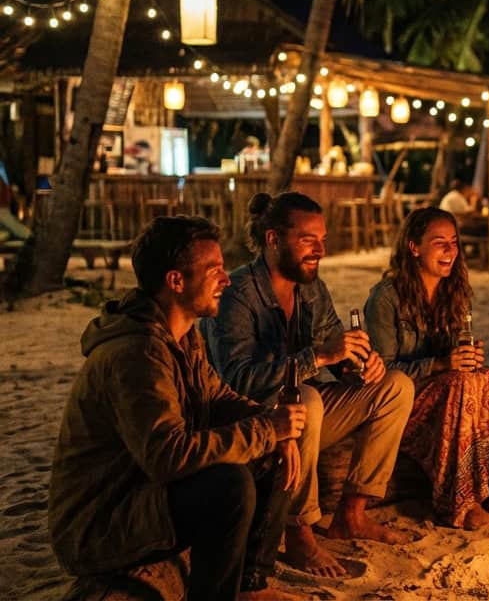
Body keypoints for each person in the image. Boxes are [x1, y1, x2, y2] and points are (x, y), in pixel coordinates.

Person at [48, 216, 304, 601]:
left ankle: (250, 583)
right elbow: (168, 455)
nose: (226, 280)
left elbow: (216, 398)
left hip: (143, 494)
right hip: (102, 521)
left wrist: (271, 425)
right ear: (175, 281)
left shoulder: (182, 335)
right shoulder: (137, 353)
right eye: (214, 270)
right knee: (229, 486)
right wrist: (268, 430)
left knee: (270, 455)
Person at [208, 191, 414, 578]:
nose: (319, 249)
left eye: (322, 239)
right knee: (307, 398)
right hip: (252, 423)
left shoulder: (311, 288)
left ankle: (351, 513)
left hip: (306, 417)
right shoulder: (237, 294)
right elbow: (238, 380)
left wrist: (358, 366)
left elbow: (335, 347)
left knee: (396, 385)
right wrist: (317, 357)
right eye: (308, 240)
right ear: (273, 239)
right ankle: (299, 532)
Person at [364, 207, 489, 530]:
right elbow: (381, 373)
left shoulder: (455, 292)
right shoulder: (386, 298)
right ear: (414, 247)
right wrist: (440, 364)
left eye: (454, 242)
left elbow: (456, 363)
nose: (450, 251)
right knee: (461, 384)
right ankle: (462, 503)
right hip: (402, 405)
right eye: (440, 242)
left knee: (488, 379)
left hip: (447, 396)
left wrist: (466, 358)